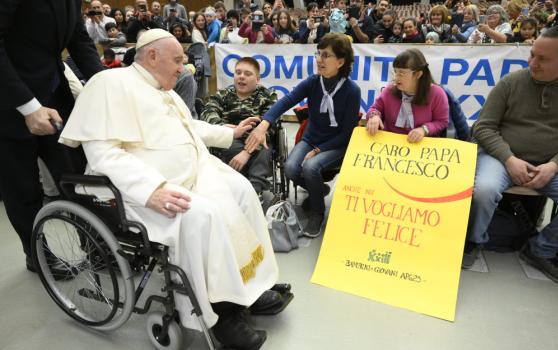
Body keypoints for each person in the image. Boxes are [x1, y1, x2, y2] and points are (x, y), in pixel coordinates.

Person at [59, 29, 282, 350]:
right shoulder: (109, 84)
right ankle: (222, 314)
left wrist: (228, 132)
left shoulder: (165, 90)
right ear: (152, 56)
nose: (184, 67)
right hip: (135, 189)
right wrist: (152, 190)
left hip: (194, 171)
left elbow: (188, 127)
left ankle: (250, 287)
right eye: (177, 60)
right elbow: (104, 155)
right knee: (203, 214)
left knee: (243, 191)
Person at [0, 0, 104, 272]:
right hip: (10, 100)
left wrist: (109, 86)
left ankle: (94, 246)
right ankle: (36, 253)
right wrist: (28, 106)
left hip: (54, 92)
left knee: (75, 175)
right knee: (22, 187)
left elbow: (79, 42)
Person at [462, 26, 558, 278]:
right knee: (484, 189)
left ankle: (542, 249)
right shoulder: (511, 83)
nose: (533, 63)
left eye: (543, 59)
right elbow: (483, 128)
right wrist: (509, 159)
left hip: (549, 165)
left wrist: (554, 165)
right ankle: (473, 241)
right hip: (501, 158)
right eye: (532, 54)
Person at [245, 33, 361, 237]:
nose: (319, 60)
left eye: (326, 55)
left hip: (336, 144)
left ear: (340, 61)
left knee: (310, 166)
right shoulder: (313, 82)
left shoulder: (352, 90)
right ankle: (317, 190)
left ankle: (317, 213)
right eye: (318, 54)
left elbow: (347, 133)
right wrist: (264, 122)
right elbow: (286, 101)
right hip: (311, 138)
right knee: (290, 168)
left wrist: (318, 151)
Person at [201, 58, 277, 199]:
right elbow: (208, 112)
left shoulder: (268, 96)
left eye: (247, 74)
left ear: (258, 78)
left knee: (265, 148)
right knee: (228, 144)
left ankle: (254, 191)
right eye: (238, 72)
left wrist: (246, 152)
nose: (241, 76)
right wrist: (223, 127)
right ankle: (243, 185)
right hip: (231, 139)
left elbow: (272, 125)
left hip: (259, 141)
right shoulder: (223, 95)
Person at [365, 48, 449, 143]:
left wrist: (424, 129)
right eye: (395, 72)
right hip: (389, 145)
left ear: (418, 74)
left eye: (402, 73)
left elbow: (442, 121)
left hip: (422, 145)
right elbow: (374, 109)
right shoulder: (390, 90)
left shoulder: (436, 93)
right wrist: (374, 116)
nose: (396, 77)